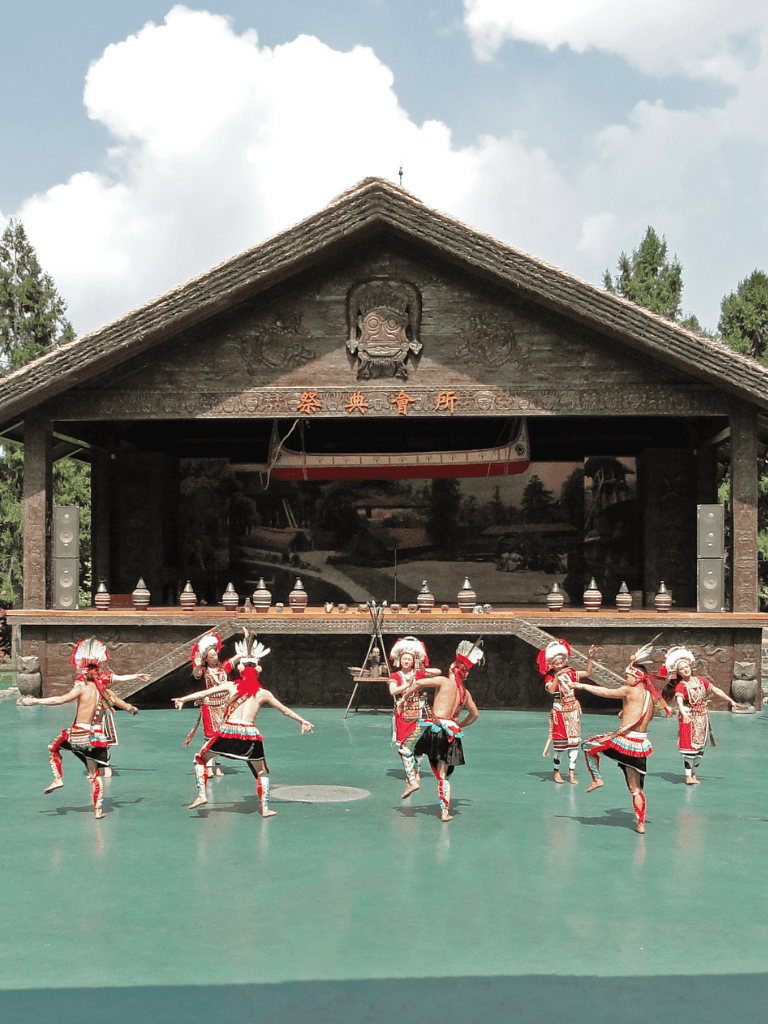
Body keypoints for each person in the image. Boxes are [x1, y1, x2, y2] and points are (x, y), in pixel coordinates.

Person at [174, 629, 314, 816]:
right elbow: (285, 710)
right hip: (250, 734)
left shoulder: (231, 686)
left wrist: (183, 699)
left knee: (199, 759)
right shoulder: (263, 693)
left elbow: (203, 693)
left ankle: (202, 795)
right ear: (257, 670)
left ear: (240, 671)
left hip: (228, 732)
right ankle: (264, 808)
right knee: (261, 772)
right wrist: (302, 721)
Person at [19, 637, 149, 819]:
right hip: (97, 738)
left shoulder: (82, 688)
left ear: (86, 673)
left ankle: (58, 778)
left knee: (53, 747)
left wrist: (35, 701)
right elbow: (124, 704)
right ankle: (98, 810)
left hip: (79, 734)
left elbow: (59, 700)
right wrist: (131, 709)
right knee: (94, 774)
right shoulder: (106, 692)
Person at [574, 643, 669, 834]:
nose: (625, 680)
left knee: (587, 745)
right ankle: (641, 824)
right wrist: (625, 713)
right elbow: (647, 717)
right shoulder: (650, 697)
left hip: (625, 742)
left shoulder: (629, 690)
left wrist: (580, 685)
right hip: (641, 746)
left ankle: (597, 779)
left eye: (627, 676)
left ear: (636, 677)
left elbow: (606, 692)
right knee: (635, 789)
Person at [396, 640, 482, 821]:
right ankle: (445, 812)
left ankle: (413, 781)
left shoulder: (444, 681)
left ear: (451, 669)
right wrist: (460, 726)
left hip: (435, 726)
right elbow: (475, 715)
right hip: (452, 733)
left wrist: (404, 700)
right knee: (443, 776)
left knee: (405, 748)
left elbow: (418, 684)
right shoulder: (465, 693)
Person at [663, 645, 738, 784]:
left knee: (699, 749)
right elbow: (679, 700)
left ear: (690, 666)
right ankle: (687, 776)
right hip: (689, 717)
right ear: (678, 673)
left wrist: (730, 700)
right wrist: (683, 711)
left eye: (686, 667)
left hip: (702, 717)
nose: (685, 670)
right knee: (689, 748)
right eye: (681, 669)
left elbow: (715, 690)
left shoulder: (701, 680)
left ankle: (694, 774)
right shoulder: (680, 685)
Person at [537, 639, 595, 784]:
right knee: (560, 746)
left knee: (574, 744)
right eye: (556, 662)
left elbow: (588, 672)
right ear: (551, 665)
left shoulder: (572, 673)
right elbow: (551, 690)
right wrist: (557, 677)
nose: (559, 664)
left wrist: (590, 658)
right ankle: (556, 772)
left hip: (573, 711)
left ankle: (571, 772)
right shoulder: (550, 677)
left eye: (561, 661)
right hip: (560, 712)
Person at [388, 636, 441, 792]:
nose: (406, 661)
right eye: (404, 658)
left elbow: (438, 672)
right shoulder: (395, 676)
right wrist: (407, 685)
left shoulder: (419, 675)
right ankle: (409, 772)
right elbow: (392, 691)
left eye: (409, 659)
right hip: (402, 713)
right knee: (404, 745)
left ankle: (415, 771)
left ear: (413, 661)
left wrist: (422, 669)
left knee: (417, 745)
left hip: (417, 713)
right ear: (400, 660)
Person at [185, 632, 241, 778]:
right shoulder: (204, 671)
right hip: (209, 706)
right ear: (206, 659)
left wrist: (247, 641)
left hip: (224, 705)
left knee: (222, 736)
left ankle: (217, 766)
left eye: (215, 654)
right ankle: (208, 766)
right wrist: (197, 666)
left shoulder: (224, 668)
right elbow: (196, 674)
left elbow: (238, 657)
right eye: (211, 656)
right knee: (210, 737)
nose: (215, 658)